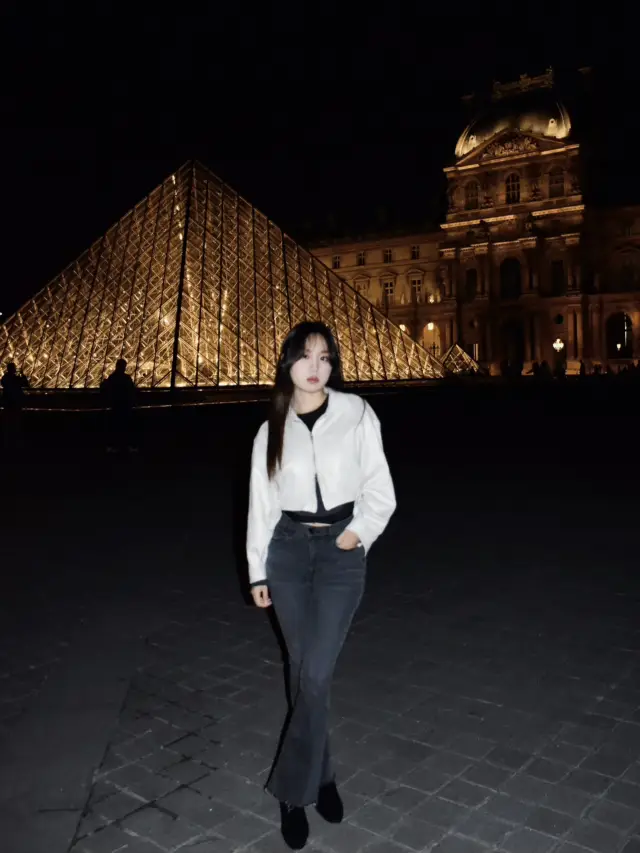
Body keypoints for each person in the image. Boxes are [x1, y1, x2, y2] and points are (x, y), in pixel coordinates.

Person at [246, 321, 396, 849]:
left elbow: (380, 487)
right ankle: (323, 775)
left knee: (315, 672)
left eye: (326, 357)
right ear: (287, 363)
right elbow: (261, 505)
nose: (316, 367)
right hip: (286, 552)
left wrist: (357, 534)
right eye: (306, 356)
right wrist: (257, 571)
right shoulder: (273, 428)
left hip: (338, 553)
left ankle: (292, 790)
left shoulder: (356, 413)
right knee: (301, 669)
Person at [100, 358, 137, 453]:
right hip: (124, 405)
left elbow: (105, 388)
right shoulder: (125, 378)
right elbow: (132, 389)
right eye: (124, 366)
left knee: (115, 427)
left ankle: (114, 446)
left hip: (115, 405)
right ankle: (125, 446)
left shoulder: (112, 378)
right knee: (124, 427)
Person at [1, 362, 30, 449]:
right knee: (14, 423)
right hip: (14, 403)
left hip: (9, 403)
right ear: (12, 369)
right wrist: (22, 376)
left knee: (9, 424)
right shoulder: (14, 379)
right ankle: (14, 442)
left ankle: (8, 442)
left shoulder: (5, 378)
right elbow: (26, 384)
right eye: (14, 368)